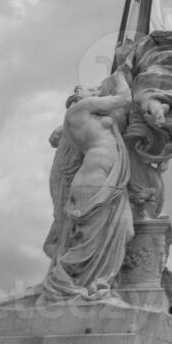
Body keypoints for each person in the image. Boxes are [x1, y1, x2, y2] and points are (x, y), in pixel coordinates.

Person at [40, 70, 136, 300]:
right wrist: (120, 75)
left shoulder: (95, 117)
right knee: (87, 239)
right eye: (88, 90)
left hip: (111, 182)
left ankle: (96, 280)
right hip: (94, 181)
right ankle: (66, 283)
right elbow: (124, 98)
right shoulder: (79, 110)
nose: (91, 91)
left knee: (128, 231)